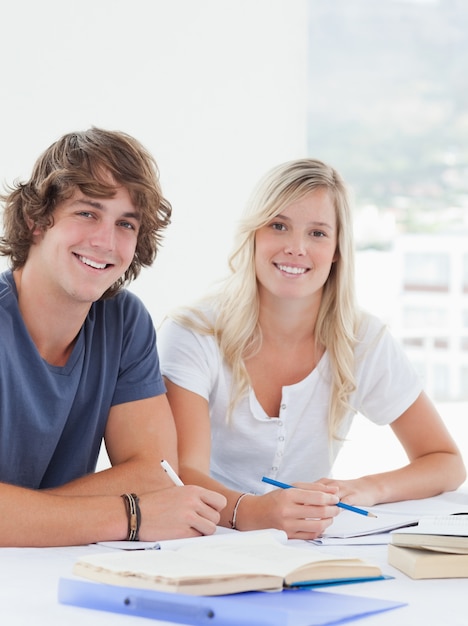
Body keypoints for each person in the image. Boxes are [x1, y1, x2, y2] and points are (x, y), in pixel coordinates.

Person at [158, 158, 466, 540]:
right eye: (278, 225)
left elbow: (447, 463)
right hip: (204, 538)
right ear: (254, 233)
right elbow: (185, 473)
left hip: (307, 548)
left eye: (317, 233)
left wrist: (367, 487)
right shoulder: (193, 332)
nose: (296, 248)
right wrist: (254, 512)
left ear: (337, 249)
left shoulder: (361, 338)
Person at [0, 127, 226, 547]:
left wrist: (23, 517)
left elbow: (156, 474)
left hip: (50, 574)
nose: (105, 241)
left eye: (125, 223)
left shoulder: (122, 320)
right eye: (87, 212)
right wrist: (130, 514)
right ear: (35, 221)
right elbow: (145, 499)